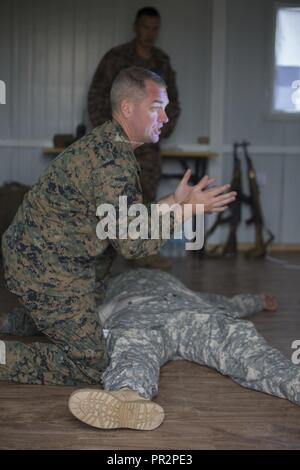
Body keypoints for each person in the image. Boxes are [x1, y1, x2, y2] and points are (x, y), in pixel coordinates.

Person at [0, 67, 236, 387]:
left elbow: (125, 218)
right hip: (43, 265)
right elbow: (132, 245)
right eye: (156, 108)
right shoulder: (113, 162)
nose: (165, 118)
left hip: (54, 258)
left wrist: (172, 201)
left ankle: (12, 320)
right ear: (128, 108)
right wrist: (189, 210)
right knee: (92, 365)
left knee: (92, 302)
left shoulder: (111, 143)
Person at [67, 268, 300, 431]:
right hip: (155, 312)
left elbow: (79, 317)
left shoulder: (117, 284)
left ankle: (128, 392)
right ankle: (128, 397)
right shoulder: (112, 284)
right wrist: (256, 300)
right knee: (238, 343)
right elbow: (225, 302)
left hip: (166, 310)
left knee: (239, 341)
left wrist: (257, 300)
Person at [88, 7, 180, 269]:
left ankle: (142, 255)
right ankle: (99, 257)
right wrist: (111, 134)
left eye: (155, 28)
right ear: (135, 27)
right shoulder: (116, 58)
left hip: (148, 148)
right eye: (145, 27)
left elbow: (172, 102)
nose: (150, 33)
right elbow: (96, 96)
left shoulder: (162, 61)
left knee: (146, 198)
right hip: (117, 144)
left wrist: (159, 131)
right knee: (108, 199)